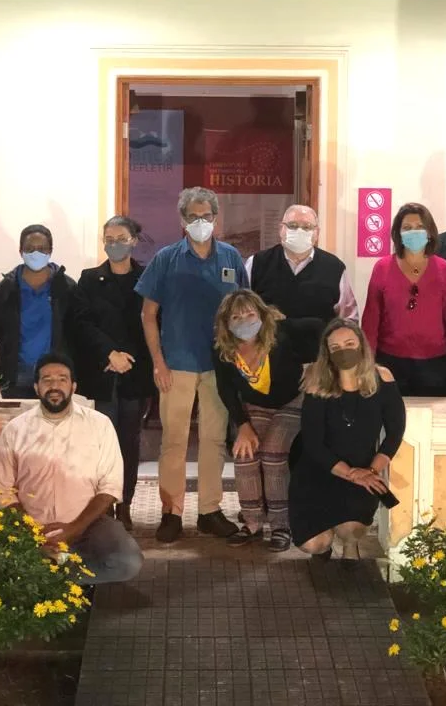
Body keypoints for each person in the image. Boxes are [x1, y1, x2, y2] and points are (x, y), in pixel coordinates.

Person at [136, 186, 248, 543]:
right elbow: (148, 314)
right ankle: (171, 512)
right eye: (193, 217)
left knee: (214, 440)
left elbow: (245, 310)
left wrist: (242, 358)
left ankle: (209, 511)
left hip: (220, 366)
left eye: (206, 216)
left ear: (216, 218)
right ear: (182, 220)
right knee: (174, 442)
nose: (201, 222)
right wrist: (158, 362)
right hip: (177, 364)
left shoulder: (231, 257)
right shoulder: (166, 259)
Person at [0, 353, 143, 585]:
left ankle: (51, 579)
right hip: (29, 526)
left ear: (73, 386)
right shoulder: (15, 430)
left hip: (87, 525)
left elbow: (110, 487)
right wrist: (33, 532)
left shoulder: (99, 425)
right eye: (47, 380)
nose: (55, 386)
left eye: (62, 379)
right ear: (36, 387)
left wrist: (74, 529)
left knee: (128, 561)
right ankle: (57, 574)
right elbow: (1, 491)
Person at [212, 289, 322, 552]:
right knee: (245, 453)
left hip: (291, 401)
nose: (245, 321)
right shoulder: (223, 350)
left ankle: (281, 525)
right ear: (226, 322)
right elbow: (226, 389)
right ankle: (252, 523)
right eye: (236, 317)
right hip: (257, 405)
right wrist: (243, 425)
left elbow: (320, 326)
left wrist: (317, 366)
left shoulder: (281, 332)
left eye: (250, 314)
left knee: (273, 452)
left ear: (262, 315)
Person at [290, 319, 405, 560]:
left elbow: (395, 431)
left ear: (362, 345)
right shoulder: (317, 384)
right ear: (328, 354)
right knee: (313, 544)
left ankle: (350, 545)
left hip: (365, 469)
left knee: (351, 529)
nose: (344, 351)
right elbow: (313, 443)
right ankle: (326, 544)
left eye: (349, 343)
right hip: (320, 469)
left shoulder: (383, 377)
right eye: (336, 347)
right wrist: (351, 473)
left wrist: (371, 471)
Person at [74, 216, 154, 531]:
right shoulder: (89, 279)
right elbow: (82, 323)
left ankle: (126, 503)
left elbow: (152, 322)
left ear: (133, 241)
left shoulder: (147, 278)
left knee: (129, 443)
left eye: (121, 238)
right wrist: (109, 353)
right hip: (103, 372)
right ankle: (103, 505)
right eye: (109, 238)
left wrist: (126, 358)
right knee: (102, 444)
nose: (114, 244)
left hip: (135, 373)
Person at [361, 203, 446, 396]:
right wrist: (367, 361)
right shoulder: (382, 267)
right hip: (390, 362)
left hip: (436, 363)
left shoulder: (443, 268)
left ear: (429, 232)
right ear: (398, 233)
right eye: (407, 228)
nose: (414, 232)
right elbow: (371, 319)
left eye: (420, 227)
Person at [0, 224, 84, 398]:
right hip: (16, 376)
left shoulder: (66, 287)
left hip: (54, 376)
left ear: (50, 251)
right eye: (30, 248)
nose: (36, 253)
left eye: (42, 249)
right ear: (21, 251)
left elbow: (75, 331)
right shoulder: (6, 288)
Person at [245, 204, 359, 324]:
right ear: (281, 229)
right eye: (292, 226)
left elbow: (348, 320)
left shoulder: (335, 268)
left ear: (317, 233)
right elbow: (240, 308)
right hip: (269, 336)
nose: (299, 231)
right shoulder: (257, 263)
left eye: (307, 227)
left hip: (318, 336)